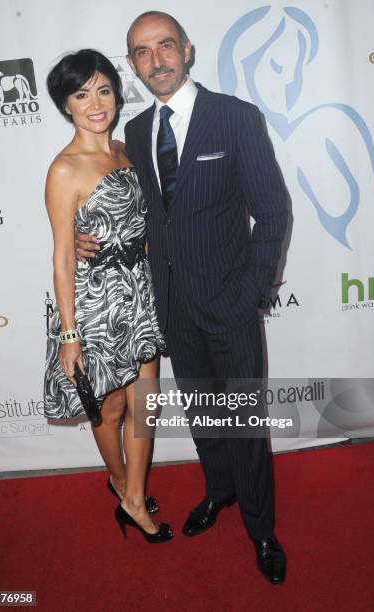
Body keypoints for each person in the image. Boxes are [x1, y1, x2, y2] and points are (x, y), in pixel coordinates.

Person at [77, 12, 288, 582]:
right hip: (171, 308)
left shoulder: (235, 118)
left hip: (231, 304)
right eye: (141, 53)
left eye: (164, 46)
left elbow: (272, 212)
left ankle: (262, 529)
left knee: (245, 424)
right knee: (204, 416)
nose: (156, 61)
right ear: (132, 66)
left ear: (187, 50)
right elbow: (133, 215)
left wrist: (251, 294)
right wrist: (83, 236)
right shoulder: (139, 135)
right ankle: (218, 492)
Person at [44, 49, 172, 543]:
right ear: (67, 106)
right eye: (81, 95)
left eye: (102, 90)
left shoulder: (125, 148)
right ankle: (122, 484)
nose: (95, 103)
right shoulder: (64, 169)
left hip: (139, 289)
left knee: (147, 400)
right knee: (112, 407)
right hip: (95, 302)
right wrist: (70, 336)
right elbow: (60, 256)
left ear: (116, 94)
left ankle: (134, 495)